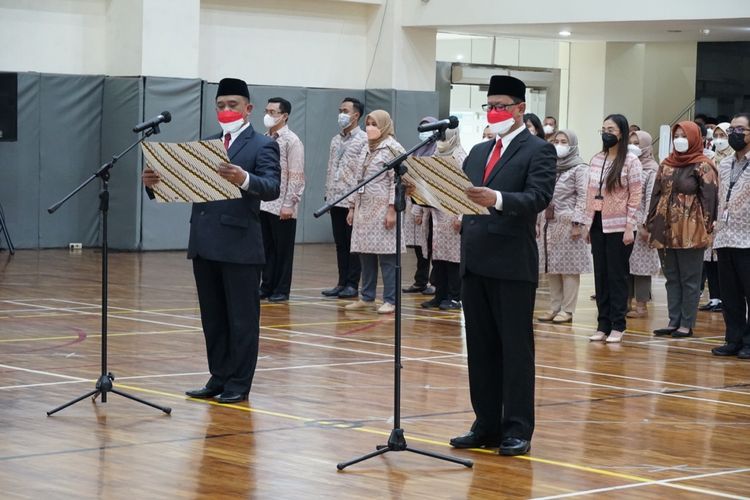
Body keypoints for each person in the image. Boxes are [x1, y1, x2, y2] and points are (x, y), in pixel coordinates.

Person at [142, 78, 280, 403]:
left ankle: (238, 383)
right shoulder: (206, 144)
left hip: (240, 246)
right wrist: (153, 183)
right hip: (204, 242)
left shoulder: (263, 145)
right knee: (213, 317)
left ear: (248, 108)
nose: (226, 110)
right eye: (220, 105)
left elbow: (272, 186)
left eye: (233, 105)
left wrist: (243, 178)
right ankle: (218, 376)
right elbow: (183, 186)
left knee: (242, 321)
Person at [449, 75, 555, 456]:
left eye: (501, 105)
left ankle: (517, 428)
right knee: (480, 349)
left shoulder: (537, 150)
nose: (494, 111)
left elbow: (537, 197)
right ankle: (486, 423)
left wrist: (495, 197)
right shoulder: (477, 152)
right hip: (475, 262)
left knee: (515, 350)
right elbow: (459, 196)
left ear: (520, 109)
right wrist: (427, 194)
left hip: (511, 264)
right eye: (489, 105)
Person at [647, 121, 718, 338]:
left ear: (695, 138)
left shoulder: (703, 165)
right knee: (671, 276)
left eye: (684, 136)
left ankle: (686, 323)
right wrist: (650, 221)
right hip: (665, 226)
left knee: (690, 278)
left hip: (691, 227)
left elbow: (710, 198)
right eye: (676, 135)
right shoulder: (667, 163)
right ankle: (673, 320)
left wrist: (708, 226)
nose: (679, 139)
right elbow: (656, 192)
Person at [585, 114, 642, 344]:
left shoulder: (630, 161)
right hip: (598, 223)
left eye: (611, 128)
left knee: (617, 276)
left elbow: (635, 195)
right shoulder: (597, 159)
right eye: (603, 129)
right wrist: (587, 223)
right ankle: (603, 324)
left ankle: (618, 325)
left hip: (620, 226)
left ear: (622, 133)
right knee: (601, 276)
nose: (606, 132)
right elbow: (590, 193)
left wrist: (630, 225)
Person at [345, 110, 406, 314]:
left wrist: (392, 210)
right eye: (368, 123)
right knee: (365, 254)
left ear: (385, 126)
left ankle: (391, 299)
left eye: (374, 124)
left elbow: (396, 183)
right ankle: (367, 296)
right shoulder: (366, 148)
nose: (370, 127)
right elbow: (357, 180)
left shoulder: (393, 148)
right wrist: (352, 207)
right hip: (364, 209)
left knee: (387, 257)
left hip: (383, 209)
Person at [536, 129, 591, 324]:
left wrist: (578, 223)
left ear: (573, 145)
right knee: (552, 267)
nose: (559, 144)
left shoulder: (580, 168)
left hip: (569, 224)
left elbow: (584, 197)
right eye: (556, 141)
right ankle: (554, 307)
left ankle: (567, 310)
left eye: (563, 141)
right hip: (548, 223)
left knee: (569, 268)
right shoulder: (551, 166)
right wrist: (537, 221)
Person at [711, 112, 750, 359]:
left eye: (740, 130)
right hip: (725, 235)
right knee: (730, 294)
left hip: (747, 238)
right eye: (732, 129)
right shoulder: (724, 164)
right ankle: (733, 339)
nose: (735, 134)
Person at [259, 97, 305, 302]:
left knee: (282, 250)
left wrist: (289, 204)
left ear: (284, 116)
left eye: (273, 112)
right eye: (267, 111)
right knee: (265, 248)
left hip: (282, 205)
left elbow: (296, 174)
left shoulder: (292, 141)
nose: (268, 115)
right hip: (263, 203)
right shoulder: (263, 138)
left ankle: (281, 289)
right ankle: (266, 286)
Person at [322, 97, 367, 299]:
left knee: (352, 243)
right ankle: (341, 282)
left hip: (351, 201)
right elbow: (331, 167)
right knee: (340, 243)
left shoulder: (364, 140)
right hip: (335, 198)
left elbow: (362, 173)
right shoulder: (335, 139)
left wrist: (355, 202)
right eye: (340, 109)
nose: (341, 113)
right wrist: (328, 194)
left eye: (345, 110)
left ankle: (352, 283)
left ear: (356, 115)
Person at [418, 127, 467, 311]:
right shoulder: (436, 153)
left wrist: (461, 216)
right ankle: (440, 294)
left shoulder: (461, 156)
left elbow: (466, 189)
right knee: (438, 257)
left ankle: (455, 297)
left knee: (453, 259)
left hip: (453, 213)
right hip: (435, 213)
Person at [625, 130, 661, 318]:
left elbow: (651, 200)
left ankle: (641, 306)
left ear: (647, 147)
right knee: (626, 265)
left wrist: (646, 224)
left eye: (637, 143)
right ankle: (626, 304)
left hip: (642, 224)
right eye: (630, 142)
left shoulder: (652, 170)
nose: (633, 146)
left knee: (641, 268)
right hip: (626, 223)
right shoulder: (628, 166)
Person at [700, 122, 732, 312]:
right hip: (711, 212)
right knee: (708, 259)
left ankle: (725, 298)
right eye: (717, 135)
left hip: (726, 213)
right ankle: (714, 297)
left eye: (723, 136)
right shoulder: (711, 158)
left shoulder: (733, 159)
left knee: (721, 258)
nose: (719, 140)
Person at [403, 117, 436, 295]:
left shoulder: (437, 151)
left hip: (430, 207)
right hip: (413, 201)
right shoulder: (416, 151)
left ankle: (434, 281)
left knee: (431, 244)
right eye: (421, 128)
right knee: (418, 245)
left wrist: (421, 207)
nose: (424, 131)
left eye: (428, 128)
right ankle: (420, 280)